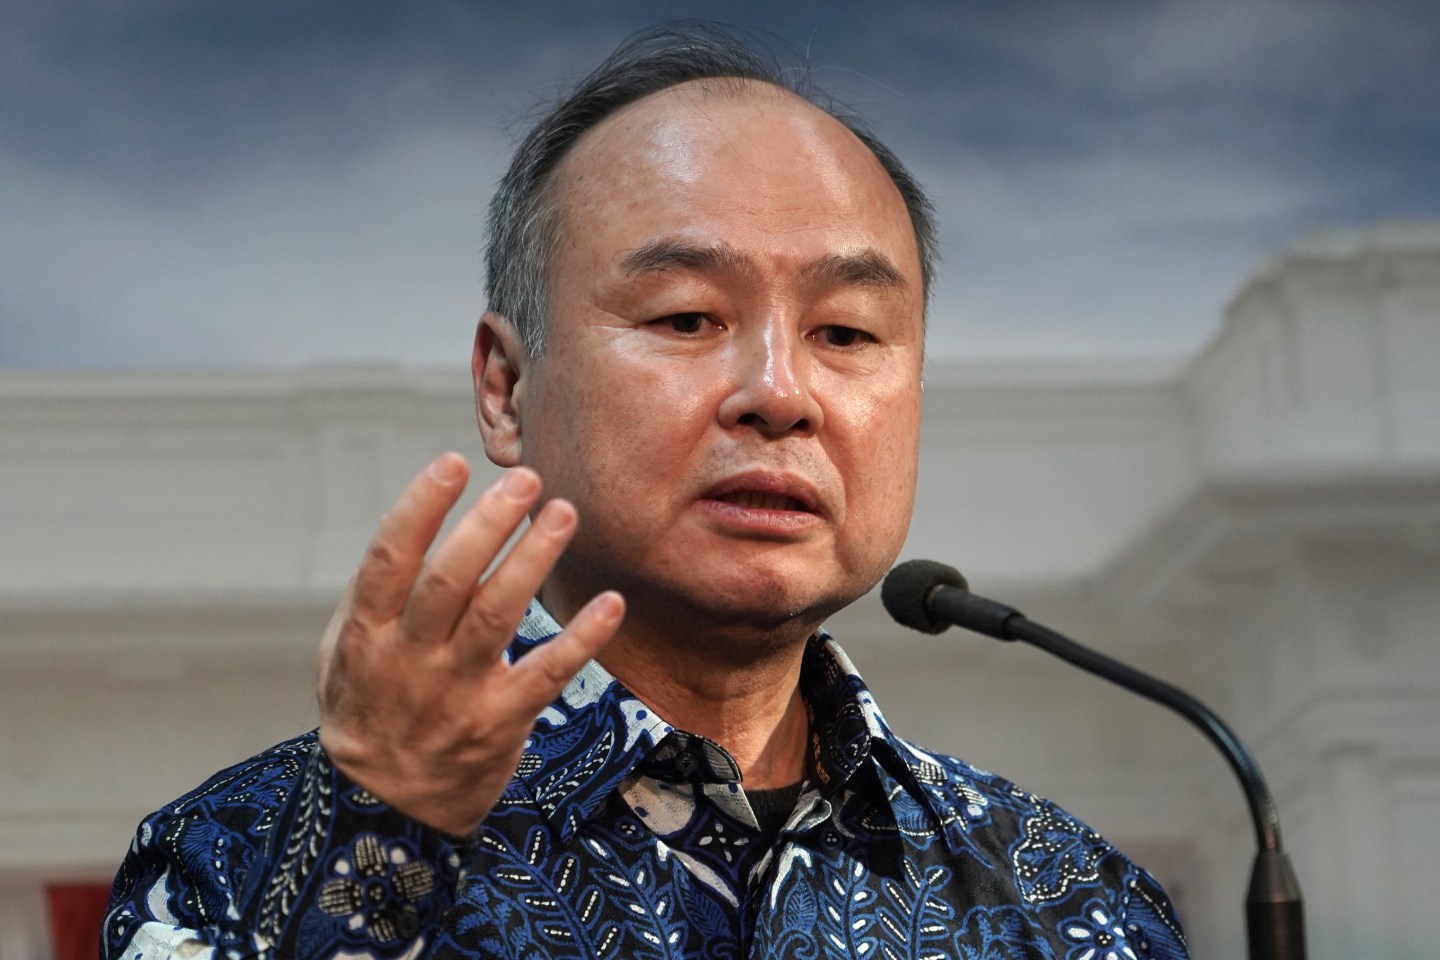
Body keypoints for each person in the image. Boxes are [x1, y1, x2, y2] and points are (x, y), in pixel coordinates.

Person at [104, 24, 1189, 960]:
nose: (779, 394)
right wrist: (388, 841)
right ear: (505, 386)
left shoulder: (1073, 901)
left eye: (847, 334)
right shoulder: (231, 861)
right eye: (685, 318)